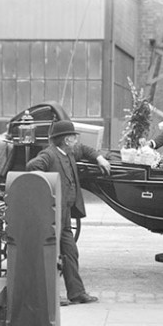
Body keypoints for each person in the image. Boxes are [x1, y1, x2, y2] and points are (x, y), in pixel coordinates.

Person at [26, 120, 111, 305]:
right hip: (53, 215)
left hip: (65, 216)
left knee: (70, 252)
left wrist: (99, 158)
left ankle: (77, 293)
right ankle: (52, 296)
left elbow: (87, 149)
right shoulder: (49, 155)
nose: (76, 139)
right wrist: (49, 193)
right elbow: (33, 167)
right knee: (51, 254)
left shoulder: (70, 151)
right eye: (73, 136)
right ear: (66, 139)